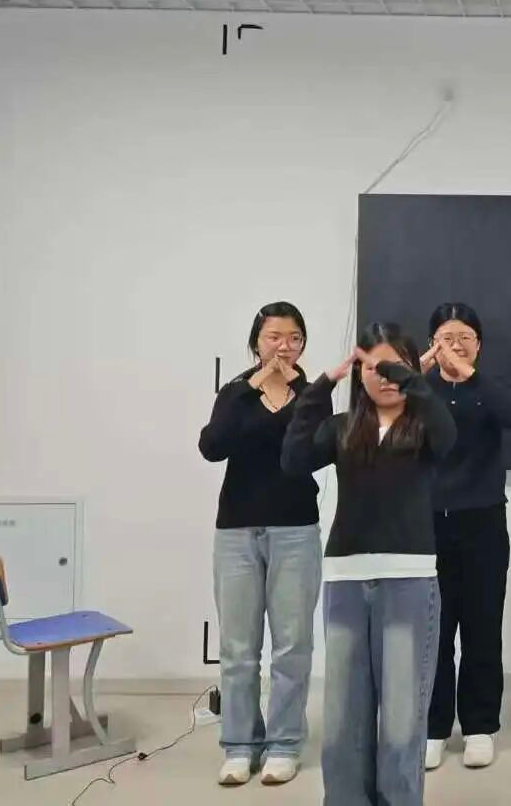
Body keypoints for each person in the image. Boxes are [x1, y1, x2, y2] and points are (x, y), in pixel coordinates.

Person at [280, 322, 456, 806]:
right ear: (359, 375)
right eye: (374, 368)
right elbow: (293, 460)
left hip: (409, 580)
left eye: (395, 367)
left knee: (401, 715)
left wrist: (412, 379)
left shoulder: (423, 428)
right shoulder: (343, 428)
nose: (385, 377)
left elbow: (448, 436)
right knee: (343, 715)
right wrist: (319, 389)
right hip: (346, 579)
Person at [198, 302, 321, 787]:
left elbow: (312, 454)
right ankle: (239, 745)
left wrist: (292, 397)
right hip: (236, 530)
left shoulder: (312, 395)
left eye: (294, 337)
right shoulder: (235, 392)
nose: (284, 346)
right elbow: (212, 446)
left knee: (291, 645)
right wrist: (251, 386)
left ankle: (284, 744)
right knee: (238, 648)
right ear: (256, 342)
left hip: (295, 529)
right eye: (274, 337)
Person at [423, 302, 511, 772]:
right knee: (434, 630)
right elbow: (382, 410)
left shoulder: (488, 388)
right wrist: (417, 371)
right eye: (446, 337)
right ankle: (433, 727)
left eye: (465, 336)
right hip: (428, 523)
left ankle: (481, 726)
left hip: (483, 521)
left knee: (482, 627)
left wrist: (469, 374)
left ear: (479, 344)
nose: (455, 345)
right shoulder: (418, 389)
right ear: (431, 344)